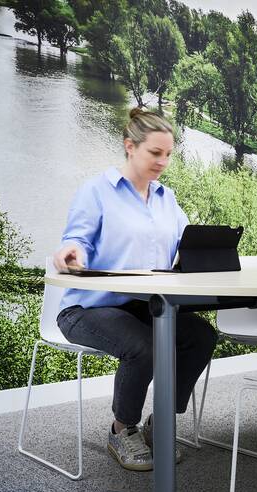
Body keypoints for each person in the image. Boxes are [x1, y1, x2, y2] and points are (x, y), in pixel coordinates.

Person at [53, 108, 217, 471]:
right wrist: (71, 253)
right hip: (88, 309)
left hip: (143, 306)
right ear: (130, 146)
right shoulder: (97, 191)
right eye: (155, 153)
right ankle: (121, 428)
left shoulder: (166, 199)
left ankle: (159, 421)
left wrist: (195, 255)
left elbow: (185, 245)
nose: (163, 162)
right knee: (143, 346)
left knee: (201, 335)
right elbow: (74, 241)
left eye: (169, 154)